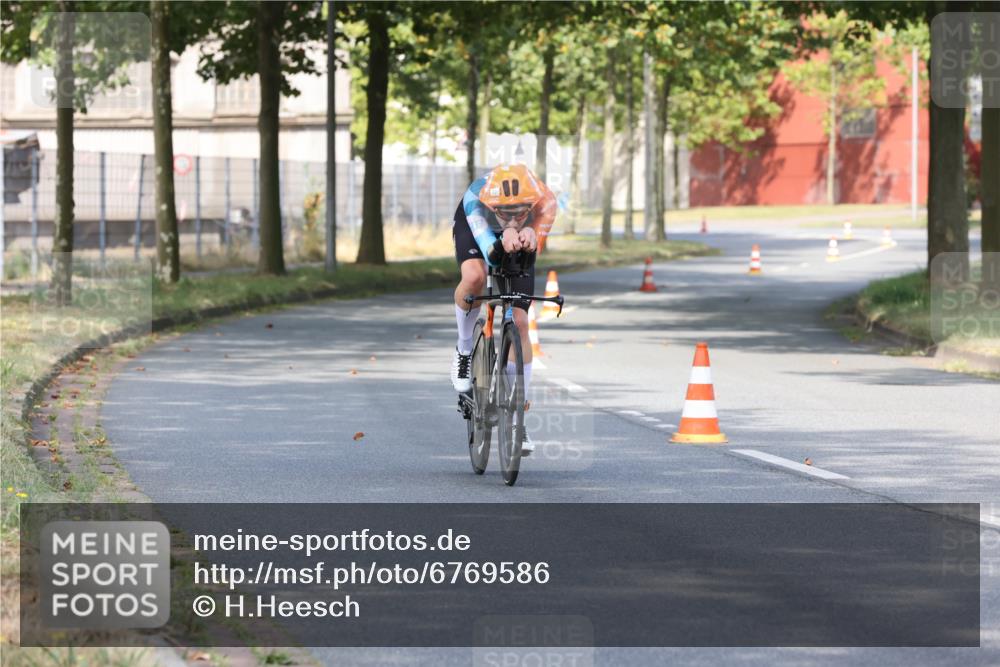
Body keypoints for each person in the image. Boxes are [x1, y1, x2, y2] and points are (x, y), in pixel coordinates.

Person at [451, 164, 557, 455]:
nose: (512, 217)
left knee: (520, 320)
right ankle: (463, 349)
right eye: (505, 212)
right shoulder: (476, 199)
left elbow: (531, 253)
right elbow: (491, 254)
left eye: (521, 211)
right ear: (491, 204)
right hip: (478, 230)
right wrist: (504, 237)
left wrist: (529, 236)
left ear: (532, 204)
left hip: (518, 237)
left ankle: (518, 418)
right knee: (474, 277)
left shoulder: (546, 202)